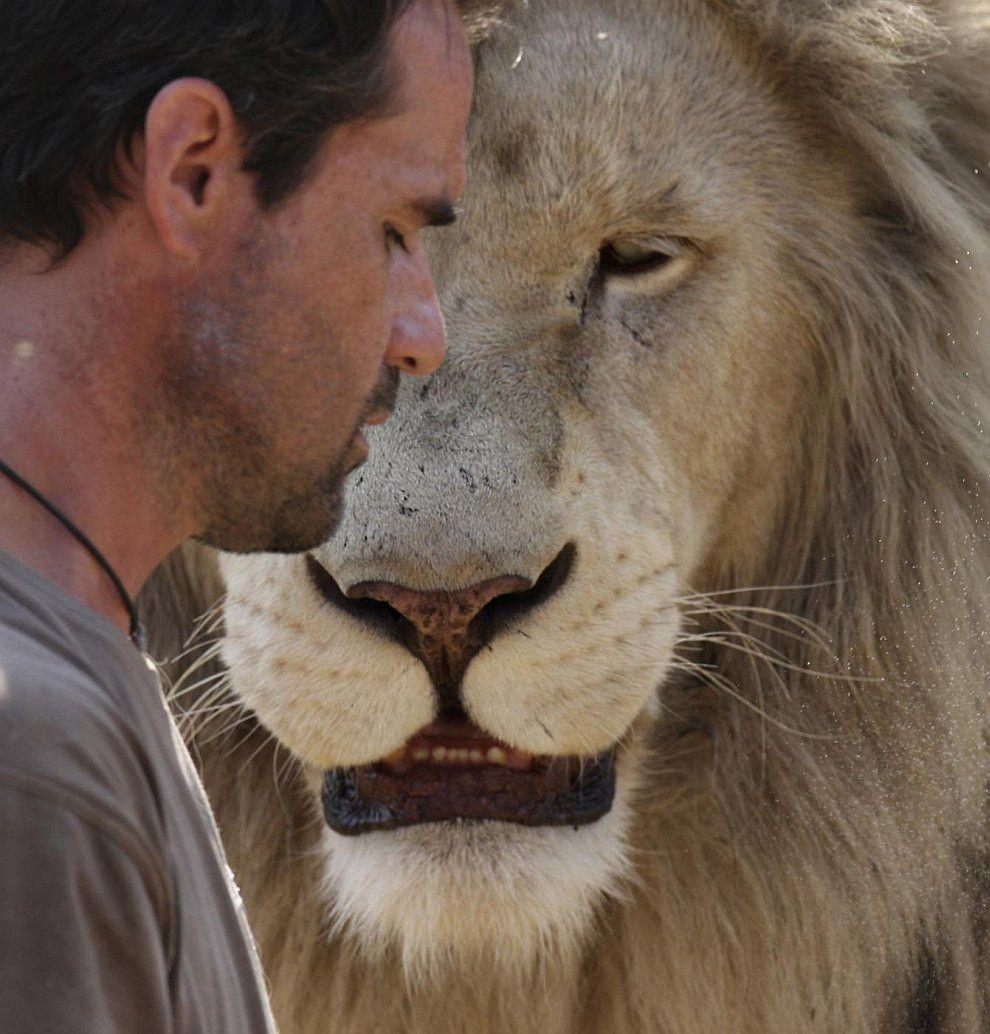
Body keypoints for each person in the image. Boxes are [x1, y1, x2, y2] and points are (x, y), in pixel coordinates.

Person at [0, 0, 476, 1030]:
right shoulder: (31, 760)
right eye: (394, 231)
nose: (424, 336)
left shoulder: (66, 688)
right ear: (192, 171)